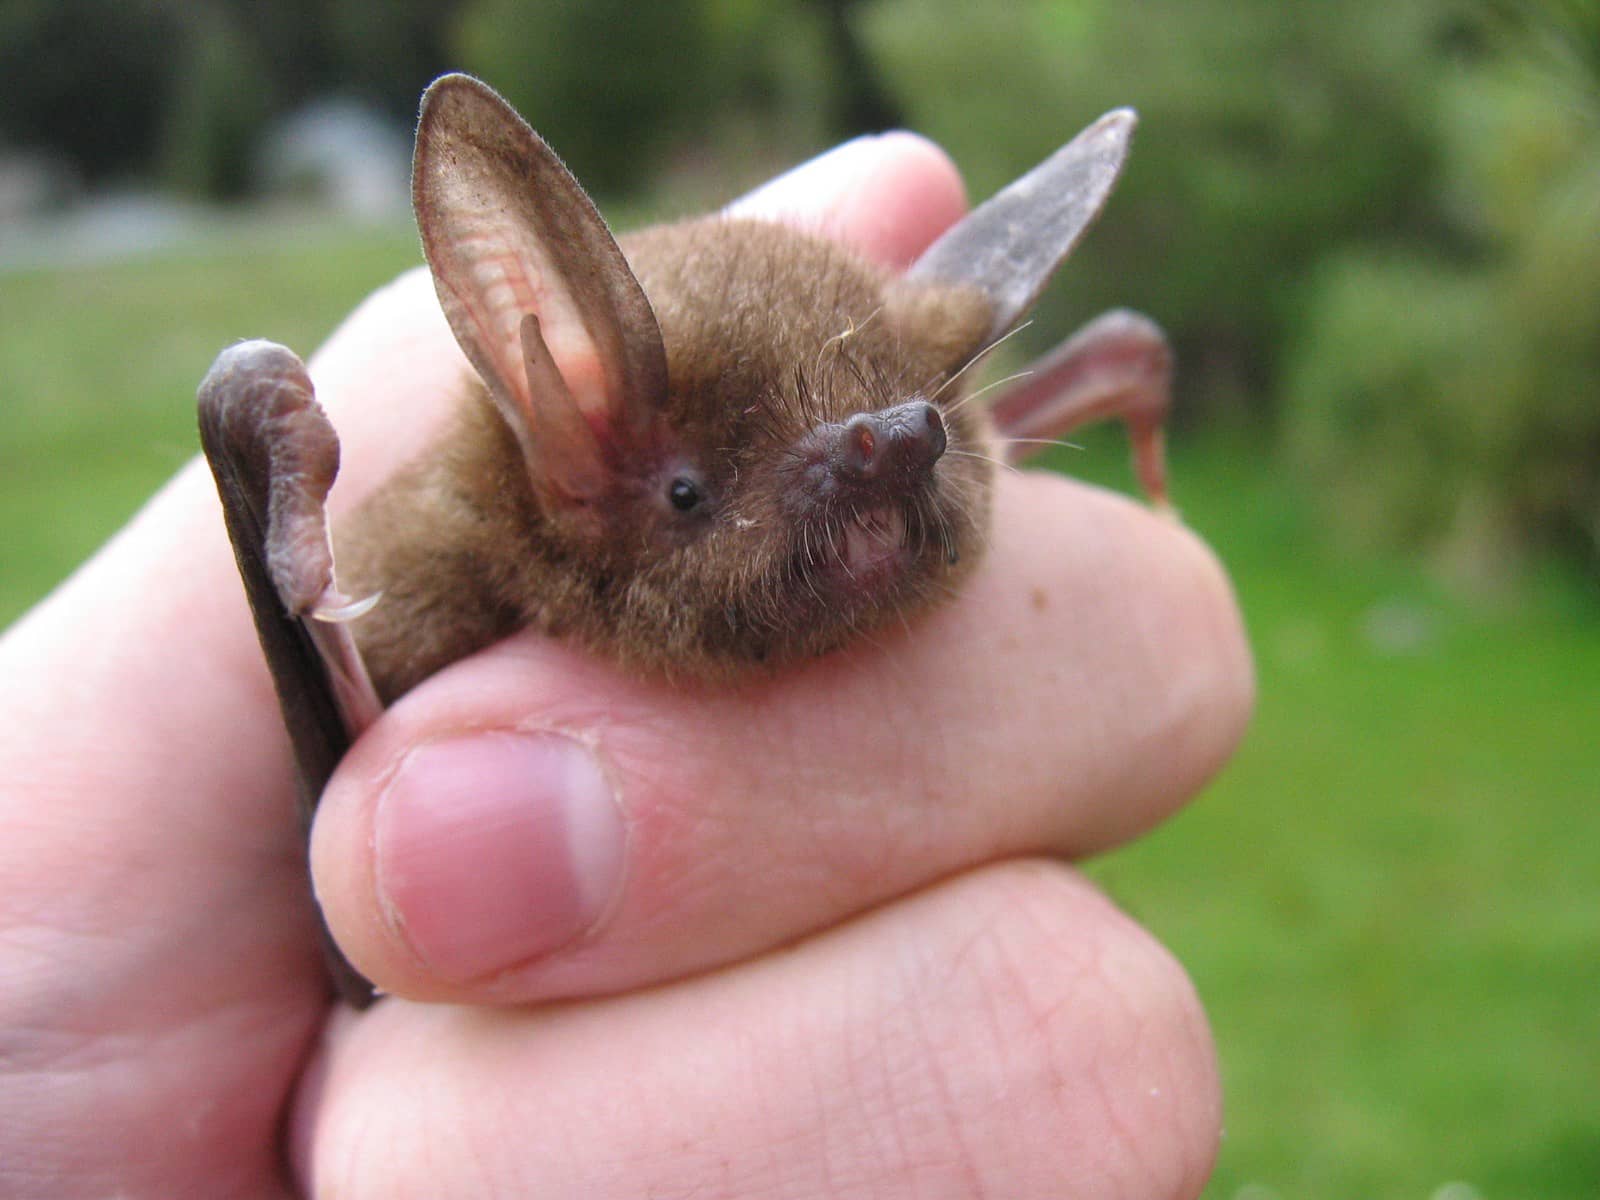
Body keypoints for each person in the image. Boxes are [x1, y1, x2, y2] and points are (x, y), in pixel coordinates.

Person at [0, 130, 1252, 1198]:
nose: (878, 469)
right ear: (564, 452)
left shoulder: (938, 462)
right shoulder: (433, 579)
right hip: (378, 1051)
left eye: (920, 444)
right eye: (696, 490)